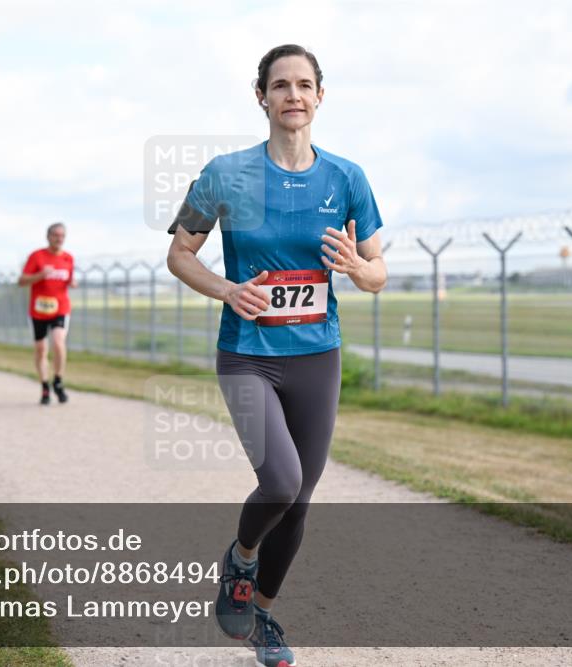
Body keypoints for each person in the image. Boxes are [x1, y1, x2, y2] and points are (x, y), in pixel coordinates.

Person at [166, 44, 387, 667]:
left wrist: (356, 267)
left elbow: (378, 273)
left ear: (320, 96)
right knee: (282, 480)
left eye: (305, 85)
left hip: (318, 354)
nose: (293, 95)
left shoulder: (347, 178)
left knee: (301, 496)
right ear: (260, 95)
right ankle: (239, 560)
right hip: (247, 353)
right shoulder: (223, 174)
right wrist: (227, 289)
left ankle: (259, 610)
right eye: (281, 85)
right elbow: (180, 253)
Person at [19, 222, 76, 404]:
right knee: (41, 349)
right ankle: (45, 386)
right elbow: (21, 281)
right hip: (38, 311)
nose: (59, 239)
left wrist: (71, 283)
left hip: (60, 308)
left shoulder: (68, 258)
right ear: (48, 236)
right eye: (55, 235)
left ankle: (58, 380)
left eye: (62, 236)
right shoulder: (37, 256)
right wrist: (40, 275)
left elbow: (68, 279)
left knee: (59, 341)